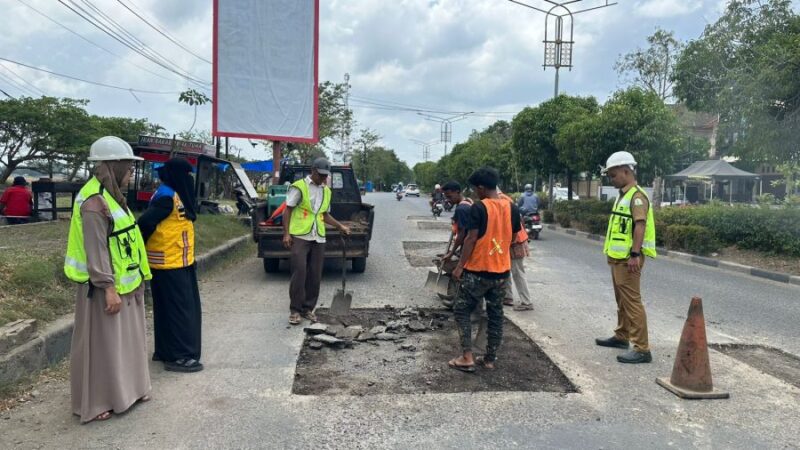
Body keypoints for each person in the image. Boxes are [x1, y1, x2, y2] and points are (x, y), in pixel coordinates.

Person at [63, 136, 152, 423]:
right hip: (104, 288)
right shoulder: (94, 202)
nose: (131, 174)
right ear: (112, 167)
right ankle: (99, 400)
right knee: (102, 347)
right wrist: (108, 287)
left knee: (126, 341)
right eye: (128, 168)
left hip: (126, 282)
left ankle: (131, 390)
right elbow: (96, 248)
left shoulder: (113, 197)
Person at [448, 167, 521, 372]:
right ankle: (489, 359)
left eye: (475, 189)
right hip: (501, 273)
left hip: (478, 271)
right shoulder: (511, 207)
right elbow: (513, 238)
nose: (474, 193)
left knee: (462, 309)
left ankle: (467, 356)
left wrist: (460, 266)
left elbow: (471, 239)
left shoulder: (479, 208)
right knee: (496, 314)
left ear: (481, 188)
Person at [138, 158, 204, 373]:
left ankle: (165, 350)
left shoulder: (173, 194)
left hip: (178, 262)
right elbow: (144, 224)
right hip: (168, 263)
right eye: (186, 176)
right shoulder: (167, 198)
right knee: (179, 311)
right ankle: (179, 356)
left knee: (169, 309)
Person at [595, 151, 657, 364]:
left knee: (632, 302)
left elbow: (640, 226)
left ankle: (642, 348)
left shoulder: (637, 197)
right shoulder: (624, 195)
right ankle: (622, 336)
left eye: (613, 175)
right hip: (617, 257)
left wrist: (634, 255)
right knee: (621, 300)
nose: (611, 179)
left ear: (626, 171)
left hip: (628, 259)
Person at [283, 157, 351, 325]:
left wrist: (340, 226)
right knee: (300, 271)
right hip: (300, 235)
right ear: (312, 171)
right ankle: (295, 310)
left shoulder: (326, 190)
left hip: (318, 236)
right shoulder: (299, 187)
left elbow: (324, 215)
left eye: (325, 176)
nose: (323, 178)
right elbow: (288, 210)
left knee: (315, 274)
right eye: (320, 175)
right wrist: (286, 234)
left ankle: (308, 309)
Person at [497, 190, 533, 312]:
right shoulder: (503, 199)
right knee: (506, 269)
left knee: (517, 272)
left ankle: (526, 302)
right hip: (512, 240)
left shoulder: (502, 200)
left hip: (515, 241)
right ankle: (507, 297)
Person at [441, 181, 473, 262]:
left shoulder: (462, 209)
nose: (447, 200)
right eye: (446, 197)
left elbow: (462, 234)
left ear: (457, 192)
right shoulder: (467, 202)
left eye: (449, 196)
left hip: (468, 247)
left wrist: (451, 253)